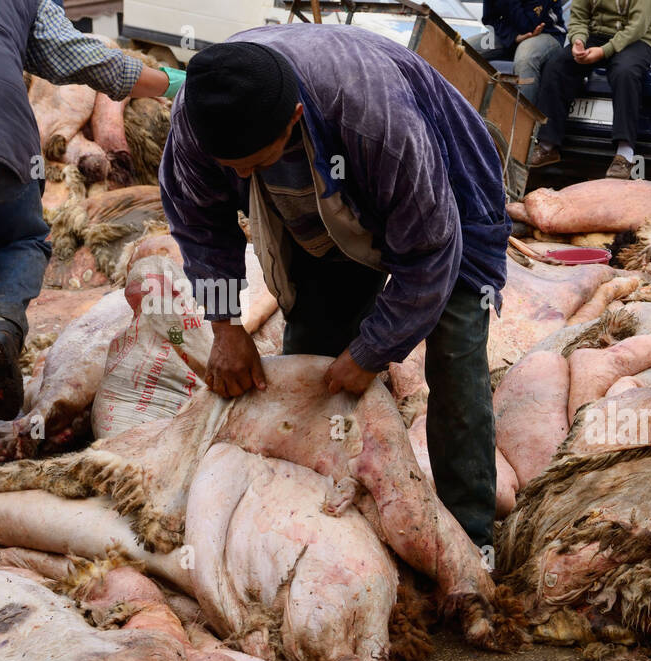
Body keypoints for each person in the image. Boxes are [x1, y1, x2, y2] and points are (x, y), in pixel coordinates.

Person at [158, 25, 509, 549]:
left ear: (294, 119)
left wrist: (372, 351)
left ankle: (465, 537)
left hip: (444, 200)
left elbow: (429, 250)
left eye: (253, 163)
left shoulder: (376, 121)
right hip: (313, 208)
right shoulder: (201, 117)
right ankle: (319, 519)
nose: (239, 173)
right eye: (230, 169)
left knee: (455, 356)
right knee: (314, 364)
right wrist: (225, 326)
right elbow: (199, 225)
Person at [0, 0, 183, 419]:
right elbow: (87, 61)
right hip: (0, 132)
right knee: (19, 239)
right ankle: (0, 325)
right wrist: (173, 80)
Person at [527, 0, 651, 179]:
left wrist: (604, 51)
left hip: (637, 40)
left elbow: (638, 26)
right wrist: (578, 41)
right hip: (597, 36)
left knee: (624, 72)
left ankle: (624, 154)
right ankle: (547, 144)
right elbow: (579, 17)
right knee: (556, 67)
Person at [476, 0, 567, 105]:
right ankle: (461, 114)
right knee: (464, 47)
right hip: (512, 31)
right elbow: (489, 19)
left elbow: (530, 26)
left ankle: (521, 119)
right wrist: (513, 37)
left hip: (547, 32)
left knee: (525, 58)